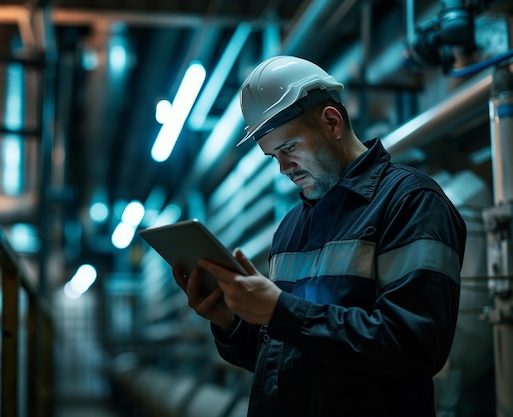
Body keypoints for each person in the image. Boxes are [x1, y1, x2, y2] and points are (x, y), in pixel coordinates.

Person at [172, 55, 467, 417]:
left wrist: (283, 312)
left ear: (331, 122)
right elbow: (281, 360)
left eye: (288, 149)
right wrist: (229, 321)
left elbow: (415, 347)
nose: (282, 168)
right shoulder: (290, 228)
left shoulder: (411, 203)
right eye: (272, 156)